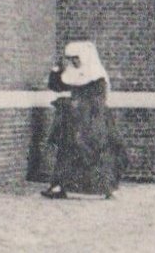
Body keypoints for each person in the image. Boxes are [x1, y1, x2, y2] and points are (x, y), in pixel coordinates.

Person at [41, 41, 127, 200]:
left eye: (77, 58)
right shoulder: (71, 73)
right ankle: (59, 186)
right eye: (72, 59)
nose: (74, 62)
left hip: (93, 119)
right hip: (74, 119)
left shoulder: (97, 75)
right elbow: (56, 86)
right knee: (66, 152)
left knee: (97, 151)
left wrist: (78, 103)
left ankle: (106, 188)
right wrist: (56, 70)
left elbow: (98, 98)